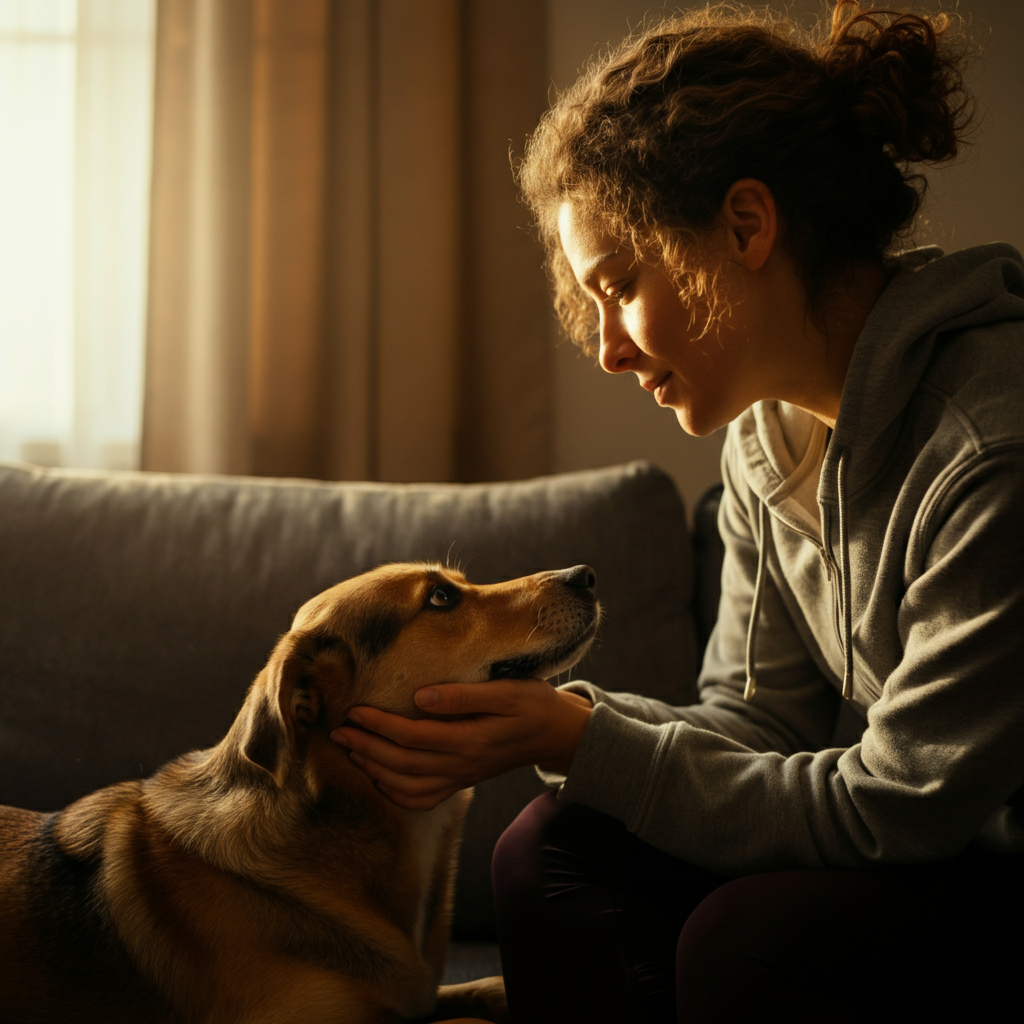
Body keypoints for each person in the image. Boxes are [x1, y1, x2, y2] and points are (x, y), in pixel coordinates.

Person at [332, 2, 1024, 1019]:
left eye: (618, 286)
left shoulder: (987, 452)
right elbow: (756, 723)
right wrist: (556, 724)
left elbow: (899, 802)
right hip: (929, 843)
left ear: (746, 225)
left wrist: (578, 738)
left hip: (976, 848)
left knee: (748, 943)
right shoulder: (764, 439)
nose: (607, 348)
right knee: (549, 853)